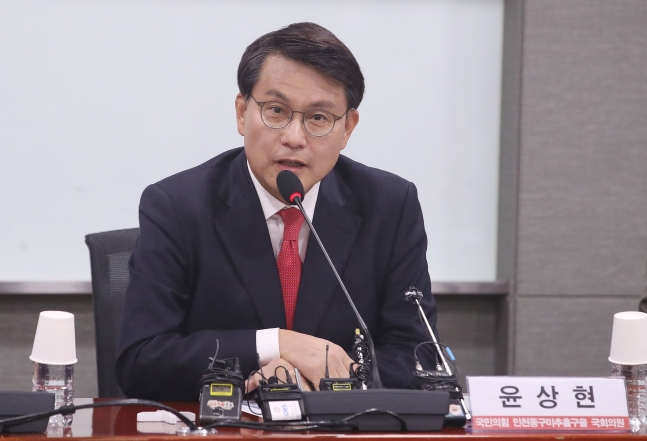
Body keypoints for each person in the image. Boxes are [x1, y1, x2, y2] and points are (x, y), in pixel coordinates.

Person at [116, 22, 437, 401]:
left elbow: (418, 357)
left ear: (348, 128)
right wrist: (276, 345)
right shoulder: (177, 206)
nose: (294, 137)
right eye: (276, 111)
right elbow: (142, 360)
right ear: (242, 113)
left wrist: (324, 377)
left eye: (318, 118)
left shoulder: (389, 205)